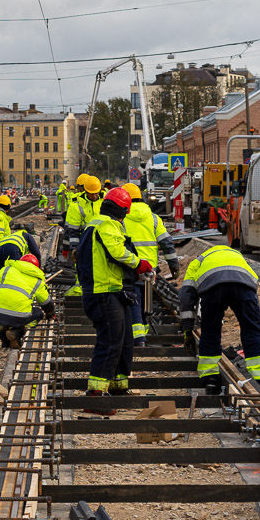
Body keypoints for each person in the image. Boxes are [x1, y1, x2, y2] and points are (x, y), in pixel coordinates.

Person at [75, 186, 146, 409]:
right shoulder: (105, 224)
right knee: (111, 341)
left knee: (124, 341)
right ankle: (96, 393)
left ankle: (117, 385)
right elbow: (117, 252)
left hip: (113, 291)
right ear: (122, 210)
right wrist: (138, 263)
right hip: (103, 292)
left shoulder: (103, 223)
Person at [177, 243, 260, 395]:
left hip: (212, 289)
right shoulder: (238, 257)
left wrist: (187, 330)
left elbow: (186, 298)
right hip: (243, 287)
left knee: (210, 330)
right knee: (253, 330)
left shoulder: (198, 262)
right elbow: (253, 283)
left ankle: (210, 380)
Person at [122, 183, 176, 346]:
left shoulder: (122, 217)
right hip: (149, 268)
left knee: (134, 300)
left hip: (130, 266)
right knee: (146, 300)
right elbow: (166, 242)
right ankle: (142, 332)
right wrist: (173, 264)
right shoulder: (153, 217)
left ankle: (138, 338)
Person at [0, 237, 55, 348]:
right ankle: (18, 331)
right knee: (38, 314)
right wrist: (50, 314)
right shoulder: (37, 281)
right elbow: (46, 303)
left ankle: (4, 340)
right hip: (18, 316)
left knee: (2, 316)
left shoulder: (7, 270)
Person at [63, 174, 103, 296]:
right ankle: (83, 289)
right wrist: (73, 248)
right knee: (83, 268)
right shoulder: (78, 205)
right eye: (92, 193)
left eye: (97, 193)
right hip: (84, 242)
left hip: (102, 241)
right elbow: (73, 230)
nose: (95, 196)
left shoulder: (104, 201)